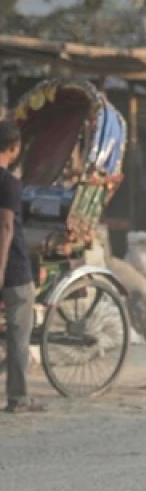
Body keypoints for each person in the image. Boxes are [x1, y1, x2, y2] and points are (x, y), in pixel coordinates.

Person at [0, 119, 44, 414]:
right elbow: (5, 227)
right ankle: (19, 397)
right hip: (12, 268)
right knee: (18, 332)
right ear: (14, 148)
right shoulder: (8, 183)